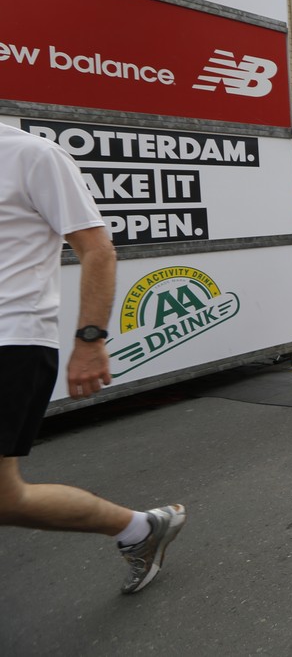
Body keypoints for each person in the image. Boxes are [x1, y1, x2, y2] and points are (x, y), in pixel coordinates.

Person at [0, 123, 185, 594]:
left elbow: (97, 250)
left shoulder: (32, 154)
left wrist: (89, 340)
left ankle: (138, 528)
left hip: (12, 340)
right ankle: (139, 529)